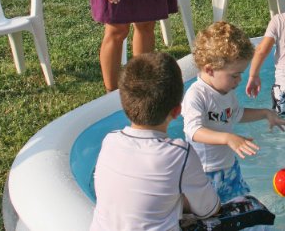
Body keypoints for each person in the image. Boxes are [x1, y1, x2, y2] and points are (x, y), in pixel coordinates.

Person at [90, 52, 220, 230]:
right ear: (176, 111)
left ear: (124, 105)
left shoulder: (110, 141)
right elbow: (209, 210)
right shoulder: (179, 154)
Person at [182, 22, 285, 203]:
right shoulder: (197, 95)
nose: (239, 80)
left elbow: (236, 114)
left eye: (241, 74)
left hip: (229, 167)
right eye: (234, 75)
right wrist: (228, 138)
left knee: (240, 210)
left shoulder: (226, 91)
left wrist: (265, 113)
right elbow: (193, 131)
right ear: (210, 69)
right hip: (205, 172)